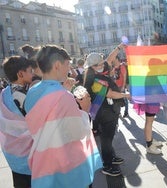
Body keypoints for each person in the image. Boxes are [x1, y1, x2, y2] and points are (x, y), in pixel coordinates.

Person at [24, 45, 102, 188]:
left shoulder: (32, 91)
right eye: (68, 64)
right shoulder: (62, 96)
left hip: (44, 161)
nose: (69, 69)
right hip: (66, 165)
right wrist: (85, 110)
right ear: (57, 65)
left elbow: (46, 121)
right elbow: (77, 132)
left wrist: (64, 89)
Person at [84, 44, 130, 177]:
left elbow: (109, 60)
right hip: (104, 113)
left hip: (109, 111)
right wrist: (126, 95)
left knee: (109, 137)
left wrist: (119, 48)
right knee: (106, 139)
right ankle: (107, 165)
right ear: (93, 66)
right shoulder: (95, 80)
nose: (103, 64)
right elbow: (110, 94)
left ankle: (112, 157)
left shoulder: (98, 71)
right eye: (100, 63)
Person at [0, 56, 33, 188]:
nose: (33, 74)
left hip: (12, 152)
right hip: (30, 154)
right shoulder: (26, 95)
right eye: (30, 71)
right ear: (20, 74)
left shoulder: (4, 93)